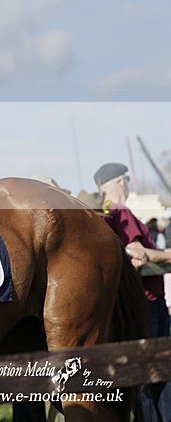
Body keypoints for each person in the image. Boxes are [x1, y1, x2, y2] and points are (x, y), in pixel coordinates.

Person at [93, 162, 171, 421]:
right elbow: (136, 252)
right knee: (156, 373)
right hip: (148, 302)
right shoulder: (121, 210)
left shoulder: (105, 213)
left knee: (146, 374)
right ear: (121, 182)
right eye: (126, 180)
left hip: (135, 303)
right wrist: (167, 255)